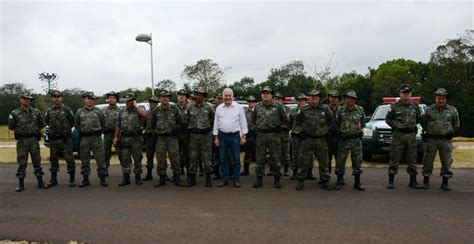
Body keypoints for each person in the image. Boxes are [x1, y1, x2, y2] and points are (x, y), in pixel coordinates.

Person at [420, 88, 460, 191]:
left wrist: (451, 132)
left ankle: (445, 182)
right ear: (435, 99)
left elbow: (456, 124)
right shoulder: (428, 110)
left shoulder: (452, 110)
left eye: (443, 98)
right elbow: (423, 123)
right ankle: (426, 181)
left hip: (445, 140)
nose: (440, 100)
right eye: (438, 98)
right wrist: (424, 132)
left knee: (446, 161)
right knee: (427, 160)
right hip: (431, 139)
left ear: (446, 99)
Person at [8, 94, 49, 192]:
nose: (27, 101)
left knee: (37, 161)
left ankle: (40, 182)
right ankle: (21, 184)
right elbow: (11, 126)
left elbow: (41, 124)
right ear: (20, 100)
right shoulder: (15, 113)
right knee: (22, 162)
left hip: (34, 140)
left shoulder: (36, 112)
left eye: (29, 99)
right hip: (22, 141)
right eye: (25, 99)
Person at [295, 89, 333, 191]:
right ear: (309, 98)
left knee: (324, 161)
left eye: (316, 96)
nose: (314, 98)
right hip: (307, 139)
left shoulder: (326, 109)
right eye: (312, 96)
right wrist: (301, 132)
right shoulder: (303, 109)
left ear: (319, 98)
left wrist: (326, 131)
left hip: (321, 139)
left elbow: (331, 121)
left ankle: (325, 181)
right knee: (303, 161)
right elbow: (297, 123)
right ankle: (300, 181)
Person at [386, 84, 422, 189]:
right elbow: (388, 120)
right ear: (400, 94)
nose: (405, 95)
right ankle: (391, 180)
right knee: (394, 157)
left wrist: (413, 126)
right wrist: (396, 126)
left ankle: (413, 180)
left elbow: (419, 118)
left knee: (412, 158)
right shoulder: (394, 106)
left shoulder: (415, 106)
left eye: (408, 93)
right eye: (404, 93)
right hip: (398, 135)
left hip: (411, 135)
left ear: (410, 94)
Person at [252, 86, 289, 189]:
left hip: (274, 135)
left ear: (271, 95)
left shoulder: (278, 107)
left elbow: (286, 120)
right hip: (261, 135)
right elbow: (253, 120)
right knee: (260, 158)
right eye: (263, 93)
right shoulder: (257, 106)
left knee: (275, 158)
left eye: (268, 93)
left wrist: (280, 128)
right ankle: (259, 179)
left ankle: (277, 179)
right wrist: (257, 129)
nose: (265, 95)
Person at [213, 88, 248, 188]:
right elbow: (216, 123)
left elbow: (243, 122)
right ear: (223, 97)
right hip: (222, 136)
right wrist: (216, 137)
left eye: (229, 95)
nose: (227, 97)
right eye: (226, 95)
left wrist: (243, 136)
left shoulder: (239, 107)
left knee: (236, 159)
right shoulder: (219, 108)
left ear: (232, 96)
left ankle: (236, 179)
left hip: (235, 136)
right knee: (223, 159)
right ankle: (225, 179)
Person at [150, 90, 185, 187]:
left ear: (169, 98)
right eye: (162, 96)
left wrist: (176, 130)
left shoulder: (174, 109)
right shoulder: (155, 111)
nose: (164, 98)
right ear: (160, 98)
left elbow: (181, 122)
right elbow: (152, 125)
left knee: (175, 158)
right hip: (160, 138)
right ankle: (162, 178)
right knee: (160, 158)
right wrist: (156, 133)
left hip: (172, 137)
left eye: (166, 96)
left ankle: (177, 177)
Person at [334, 90, 366, 191]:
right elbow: (336, 124)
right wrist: (340, 133)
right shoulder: (341, 111)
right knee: (340, 161)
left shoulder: (360, 110)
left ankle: (357, 182)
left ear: (355, 100)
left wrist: (359, 131)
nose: (350, 100)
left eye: (352, 98)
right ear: (345, 99)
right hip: (344, 140)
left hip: (356, 140)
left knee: (357, 161)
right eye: (348, 98)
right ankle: (339, 181)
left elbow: (363, 123)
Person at [75, 92, 108, 187]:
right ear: (84, 100)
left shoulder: (99, 111)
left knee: (100, 159)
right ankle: (85, 179)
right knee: (84, 159)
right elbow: (77, 125)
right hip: (84, 138)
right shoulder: (79, 112)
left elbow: (103, 124)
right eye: (87, 99)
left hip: (96, 138)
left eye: (92, 99)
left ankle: (102, 178)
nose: (89, 101)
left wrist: (98, 132)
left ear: (94, 100)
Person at [44, 90, 76, 187]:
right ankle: (53, 179)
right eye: (54, 97)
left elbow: (72, 122)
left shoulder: (67, 109)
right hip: (54, 139)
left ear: (61, 98)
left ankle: (72, 179)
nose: (56, 99)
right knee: (53, 159)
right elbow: (47, 122)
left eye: (58, 97)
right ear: (52, 98)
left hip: (65, 139)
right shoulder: (49, 111)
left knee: (69, 158)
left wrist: (64, 131)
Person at [185, 87, 215, 187]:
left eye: (200, 94)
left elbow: (214, 119)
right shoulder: (189, 107)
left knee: (206, 157)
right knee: (193, 157)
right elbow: (186, 120)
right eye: (196, 94)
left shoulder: (209, 107)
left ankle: (208, 178)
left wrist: (208, 129)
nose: (198, 96)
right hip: (193, 136)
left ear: (203, 96)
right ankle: (192, 179)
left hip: (205, 136)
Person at [113, 94, 146, 186]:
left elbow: (144, 114)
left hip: (136, 139)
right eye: (127, 100)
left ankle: (138, 177)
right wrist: (116, 137)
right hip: (124, 138)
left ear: (134, 101)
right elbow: (118, 125)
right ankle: (126, 177)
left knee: (137, 158)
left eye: (130, 100)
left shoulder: (138, 110)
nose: (128, 102)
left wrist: (136, 105)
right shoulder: (122, 111)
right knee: (125, 158)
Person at [289, 93, 307, 181]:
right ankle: (295, 172)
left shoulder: (309, 110)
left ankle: (308, 173)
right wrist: (293, 131)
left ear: (305, 101)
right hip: (296, 136)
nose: (301, 102)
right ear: (297, 101)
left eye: (303, 100)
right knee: (295, 155)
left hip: (306, 136)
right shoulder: (293, 111)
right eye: (299, 100)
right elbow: (290, 123)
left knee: (306, 155)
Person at [103, 91, 121, 177]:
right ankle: (105, 169)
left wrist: (117, 135)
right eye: (110, 98)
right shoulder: (103, 110)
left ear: (116, 100)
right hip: (107, 134)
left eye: (113, 98)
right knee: (106, 153)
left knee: (121, 153)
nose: (111, 99)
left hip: (117, 135)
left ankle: (125, 171)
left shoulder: (120, 110)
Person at [273, 92, 291, 176]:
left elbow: (289, 122)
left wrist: (282, 125)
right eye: (276, 99)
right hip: (274, 133)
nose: (277, 101)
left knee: (286, 152)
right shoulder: (271, 109)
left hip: (284, 133)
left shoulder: (287, 109)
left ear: (282, 100)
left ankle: (286, 170)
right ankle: (273, 169)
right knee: (274, 152)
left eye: (279, 99)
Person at [143, 95, 159, 181]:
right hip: (149, 137)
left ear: (156, 103)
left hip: (158, 137)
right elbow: (144, 125)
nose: (152, 103)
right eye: (150, 102)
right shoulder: (147, 113)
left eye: (154, 102)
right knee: (149, 156)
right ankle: (149, 173)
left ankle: (163, 174)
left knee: (160, 156)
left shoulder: (160, 112)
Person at [327, 90, 341, 179]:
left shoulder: (343, 109)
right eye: (331, 97)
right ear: (329, 98)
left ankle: (340, 178)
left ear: (338, 99)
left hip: (339, 139)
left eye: (335, 97)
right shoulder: (325, 109)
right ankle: (325, 177)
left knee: (339, 160)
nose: (333, 99)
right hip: (327, 138)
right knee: (326, 160)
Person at [241, 95, 257, 176]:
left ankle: (259, 171)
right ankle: (246, 170)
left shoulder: (258, 111)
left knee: (259, 153)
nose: (251, 103)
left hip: (257, 135)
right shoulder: (244, 112)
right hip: (248, 134)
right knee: (247, 153)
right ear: (247, 103)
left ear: (255, 103)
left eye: (252, 102)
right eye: (249, 102)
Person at [176, 89, 190, 175]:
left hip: (187, 134)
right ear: (177, 97)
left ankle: (189, 173)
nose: (181, 96)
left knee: (187, 154)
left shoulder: (190, 107)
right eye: (180, 95)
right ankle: (178, 171)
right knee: (176, 154)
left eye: (183, 95)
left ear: (186, 97)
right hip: (176, 135)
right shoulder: (173, 107)